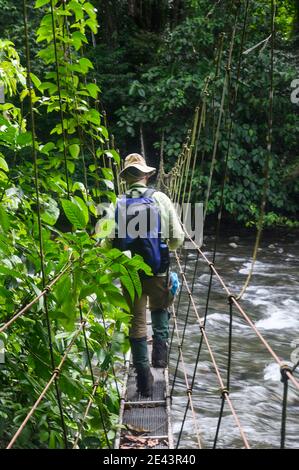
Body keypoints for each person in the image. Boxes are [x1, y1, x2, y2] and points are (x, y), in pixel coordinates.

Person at [102, 153, 184, 397]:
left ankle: (144, 382)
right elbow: (178, 238)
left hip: (130, 274)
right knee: (160, 307)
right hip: (158, 271)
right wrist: (162, 249)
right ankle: (160, 356)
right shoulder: (161, 198)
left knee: (137, 323)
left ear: (126, 178)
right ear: (147, 175)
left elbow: (106, 245)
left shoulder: (116, 204)